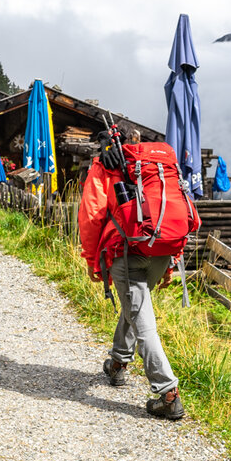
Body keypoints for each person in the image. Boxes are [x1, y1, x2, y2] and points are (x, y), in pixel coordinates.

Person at [77, 130, 185, 420]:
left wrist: (91, 259)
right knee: (134, 309)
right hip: (161, 250)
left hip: (126, 251)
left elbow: (92, 215)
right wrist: (172, 260)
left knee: (144, 325)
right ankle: (118, 363)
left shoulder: (106, 164)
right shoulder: (160, 165)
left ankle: (167, 393)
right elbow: (173, 207)